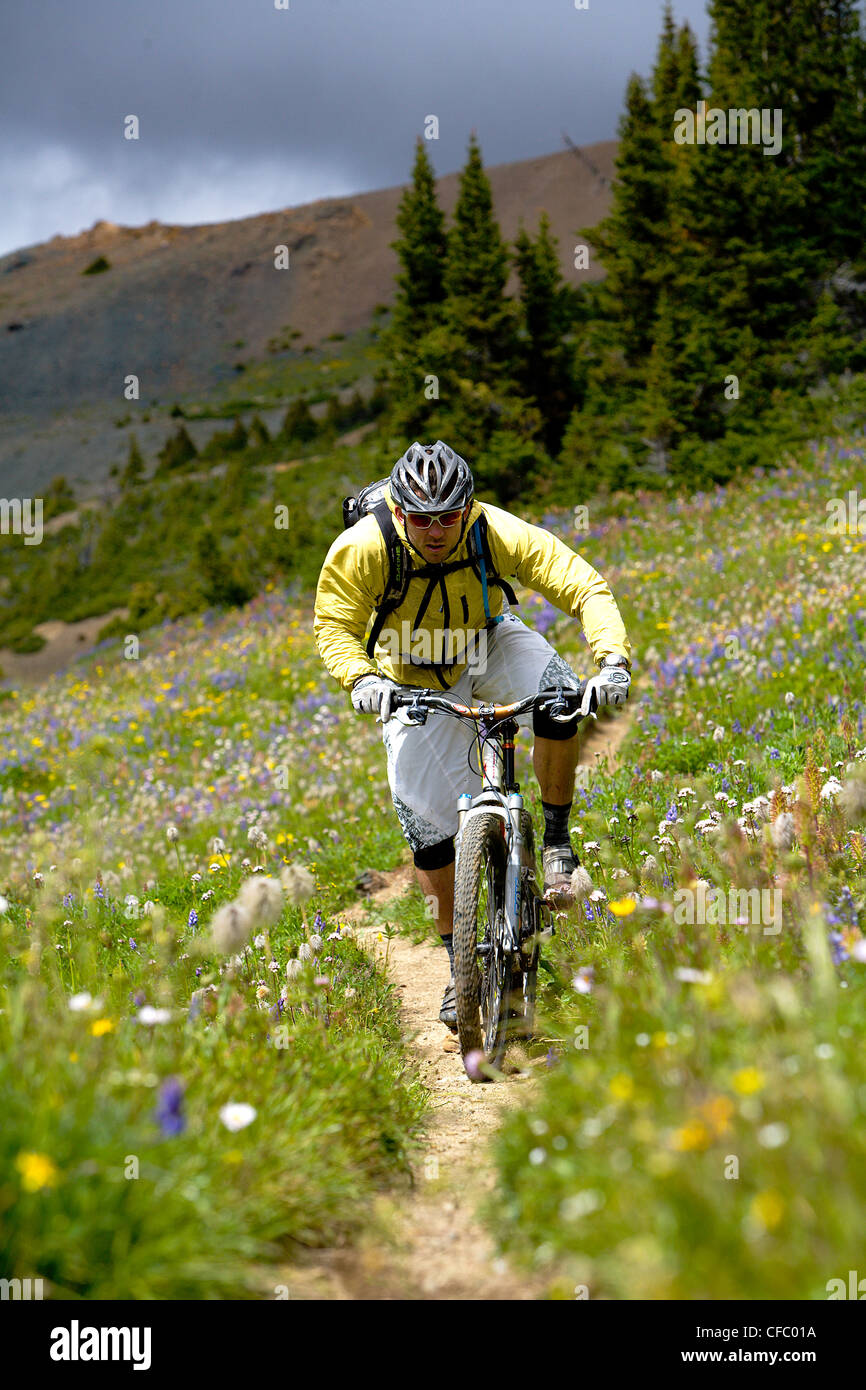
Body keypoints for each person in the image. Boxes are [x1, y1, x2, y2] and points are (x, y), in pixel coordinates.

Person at [314, 441, 632, 1030]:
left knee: (560, 698)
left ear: (467, 508)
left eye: (448, 517)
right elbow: (335, 624)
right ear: (400, 511)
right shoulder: (362, 548)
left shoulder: (493, 529)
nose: (436, 531)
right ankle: (458, 965)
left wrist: (611, 660)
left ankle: (558, 839)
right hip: (408, 673)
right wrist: (361, 679)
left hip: (487, 641)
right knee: (428, 832)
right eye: (421, 519)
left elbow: (582, 584)